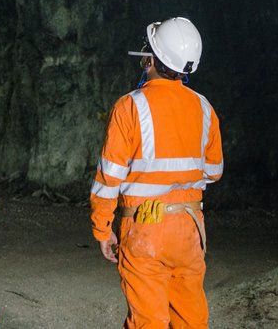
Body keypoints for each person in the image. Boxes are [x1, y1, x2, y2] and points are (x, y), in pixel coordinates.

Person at [90, 18, 224, 328]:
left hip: (144, 228)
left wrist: (102, 228)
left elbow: (109, 179)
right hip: (190, 227)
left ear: (151, 59)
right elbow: (214, 171)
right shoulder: (204, 108)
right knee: (191, 320)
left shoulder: (130, 107)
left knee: (148, 321)